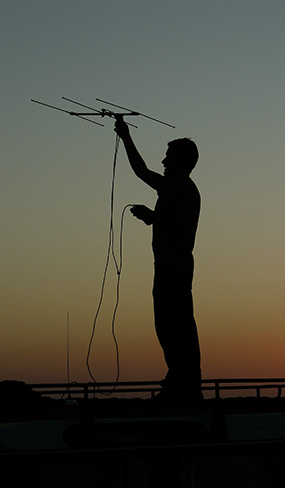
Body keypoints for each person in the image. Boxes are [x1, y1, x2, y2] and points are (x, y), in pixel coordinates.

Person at [114, 116, 202, 403]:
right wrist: (125, 136)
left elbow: (180, 229)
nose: (163, 162)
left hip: (175, 269)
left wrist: (153, 217)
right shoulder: (171, 187)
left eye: (168, 157)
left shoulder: (185, 191)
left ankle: (184, 385)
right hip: (165, 267)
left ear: (182, 161)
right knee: (166, 325)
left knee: (176, 325)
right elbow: (141, 170)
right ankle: (178, 380)